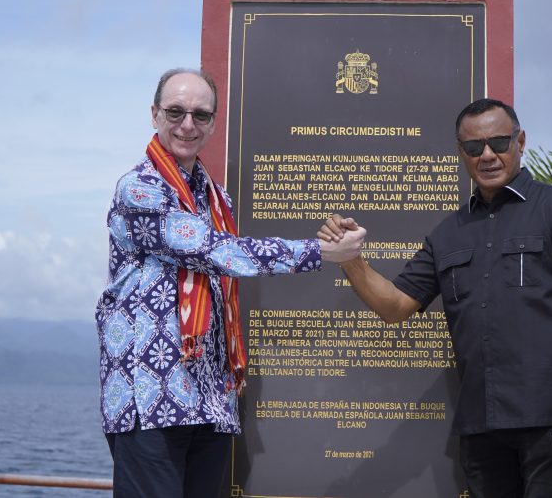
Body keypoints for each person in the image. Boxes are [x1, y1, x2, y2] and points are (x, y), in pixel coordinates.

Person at [318, 98, 552, 498]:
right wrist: (351, 259)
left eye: (499, 143)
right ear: (462, 153)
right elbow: (395, 306)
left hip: (550, 419)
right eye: (475, 147)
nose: (488, 155)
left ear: (520, 141)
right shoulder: (448, 234)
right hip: (481, 424)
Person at [95, 67, 365, 498]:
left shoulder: (218, 197)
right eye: (176, 111)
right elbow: (213, 250)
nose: (188, 124)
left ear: (214, 122)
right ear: (154, 114)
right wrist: (319, 252)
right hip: (150, 396)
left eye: (200, 115)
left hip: (211, 399)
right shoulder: (138, 190)